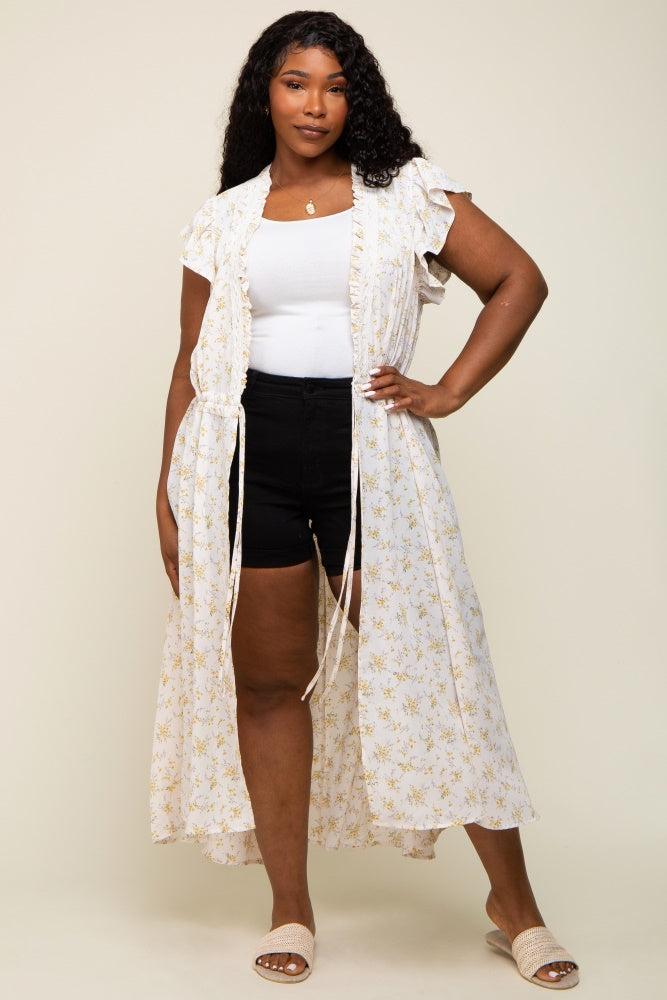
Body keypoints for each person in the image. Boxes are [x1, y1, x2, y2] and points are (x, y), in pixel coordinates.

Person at [152, 10, 579, 990]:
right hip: (245, 460)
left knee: (434, 672)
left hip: (370, 461)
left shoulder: (405, 193)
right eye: (296, 82)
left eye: (336, 86)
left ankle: (514, 907)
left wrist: (450, 389)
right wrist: (167, 494)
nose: (316, 104)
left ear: (359, 99)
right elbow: (189, 362)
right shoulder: (226, 216)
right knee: (268, 684)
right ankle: (290, 908)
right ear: (264, 93)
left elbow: (517, 279)